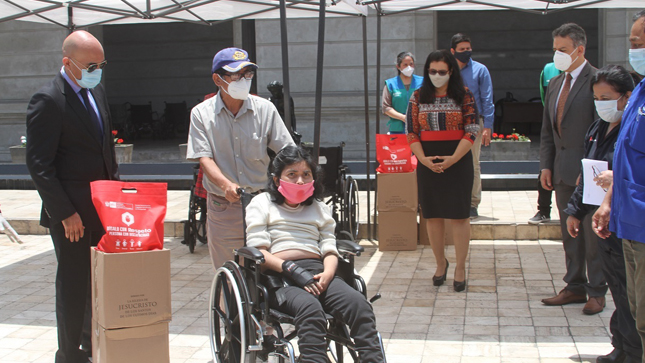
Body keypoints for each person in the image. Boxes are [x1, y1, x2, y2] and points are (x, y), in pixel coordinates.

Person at [25, 30, 118, 363]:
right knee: (74, 286)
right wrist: (64, 213)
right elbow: (39, 166)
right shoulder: (48, 100)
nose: (98, 70)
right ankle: (68, 355)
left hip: (102, 210)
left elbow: (106, 150)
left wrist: (116, 196)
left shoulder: (98, 92)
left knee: (99, 286)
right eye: (91, 65)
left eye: (101, 64)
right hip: (72, 218)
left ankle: (91, 346)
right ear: (68, 63)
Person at [245, 145, 385, 362]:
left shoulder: (319, 207)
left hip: (319, 273)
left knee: (358, 304)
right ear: (276, 180)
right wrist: (291, 269)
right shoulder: (261, 204)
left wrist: (328, 273)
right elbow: (259, 252)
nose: (300, 181)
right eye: (292, 175)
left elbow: (329, 246)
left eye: (306, 174)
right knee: (309, 308)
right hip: (280, 276)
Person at [186, 47, 294, 269]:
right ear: (217, 79)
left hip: (262, 202)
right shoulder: (201, 113)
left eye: (248, 74)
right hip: (224, 205)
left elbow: (286, 150)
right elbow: (204, 158)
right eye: (236, 75)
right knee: (228, 270)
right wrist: (226, 185)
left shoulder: (265, 109)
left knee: (267, 267)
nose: (244, 80)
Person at [564, 65, 641, 363]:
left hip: (626, 221)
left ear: (626, 97)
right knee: (619, 291)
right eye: (596, 97)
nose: (601, 103)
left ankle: (634, 351)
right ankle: (620, 345)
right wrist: (574, 210)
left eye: (606, 97)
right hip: (602, 222)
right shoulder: (597, 129)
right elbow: (588, 175)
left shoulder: (632, 129)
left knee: (631, 293)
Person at [539, 23, 607, 314]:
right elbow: (547, 130)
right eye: (555, 49)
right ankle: (574, 286)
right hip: (562, 170)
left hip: (590, 173)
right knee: (571, 234)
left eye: (562, 50)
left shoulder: (597, 81)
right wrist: (545, 165)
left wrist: (590, 168)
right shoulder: (555, 82)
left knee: (593, 236)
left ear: (580, 49)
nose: (557, 55)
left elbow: (601, 131)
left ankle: (597, 292)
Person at [593, 10, 645, 363]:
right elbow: (628, 157)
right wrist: (610, 199)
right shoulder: (641, 90)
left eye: (637, 43)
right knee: (639, 316)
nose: (632, 49)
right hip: (629, 225)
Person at [407, 49, 480, 292]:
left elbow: (471, 130)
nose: (436, 75)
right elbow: (411, 131)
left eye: (442, 72)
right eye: (432, 71)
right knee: (432, 214)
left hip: (458, 159)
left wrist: (452, 160)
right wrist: (424, 160)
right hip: (427, 159)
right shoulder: (417, 96)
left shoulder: (465, 95)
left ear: (451, 72)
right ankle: (440, 263)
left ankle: (460, 267)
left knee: (459, 215)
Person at [450, 33, 494, 219]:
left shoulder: (480, 70)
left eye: (469, 48)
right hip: (451, 122)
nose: (467, 52)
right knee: (451, 161)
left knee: (473, 163)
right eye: (462, 50)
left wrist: (488, 126)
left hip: (474, 121)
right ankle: (453, 200)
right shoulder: (447, 70)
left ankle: (472, 203)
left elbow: (487, 98)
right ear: (453, 51)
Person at [529, 62, 562, 224]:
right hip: (554, 122)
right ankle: (543, 210)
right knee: (545, 168)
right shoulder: (549, 69)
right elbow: (545, 96)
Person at [382, 51, 424, 134]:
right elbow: (386, 107)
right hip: (398, 129)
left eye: (411, 64)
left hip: (419, 128)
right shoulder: (391, 84)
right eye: (405, 64)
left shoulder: (422, 82)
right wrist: (403, 117)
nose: (409, 67)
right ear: (398, 66)